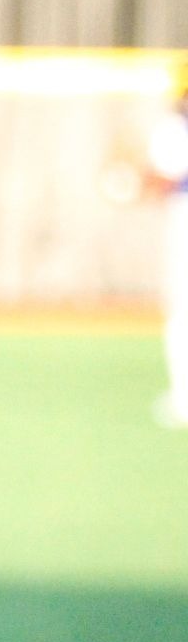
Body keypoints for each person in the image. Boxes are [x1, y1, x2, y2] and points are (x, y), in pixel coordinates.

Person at [146, 68, 188, 428]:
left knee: (183, 310)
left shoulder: (174, 128)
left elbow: (164, 182)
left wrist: (133, 180)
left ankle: (185, 400)